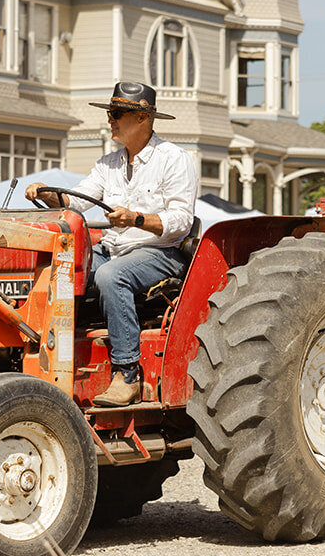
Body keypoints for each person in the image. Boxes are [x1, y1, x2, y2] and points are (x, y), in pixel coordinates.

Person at [26, 81, 198, 407]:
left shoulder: (175, 159)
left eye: (117, 113)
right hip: (116, 249)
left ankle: (127, 374)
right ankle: (53, 357)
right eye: (110, 112)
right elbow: (76, 201)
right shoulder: (109, 164)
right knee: (61, 269)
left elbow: (180, 221)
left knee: (110, 276)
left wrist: (135, 218)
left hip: (161, 251)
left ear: (143, 118)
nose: (110, 120)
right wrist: (46, 193)